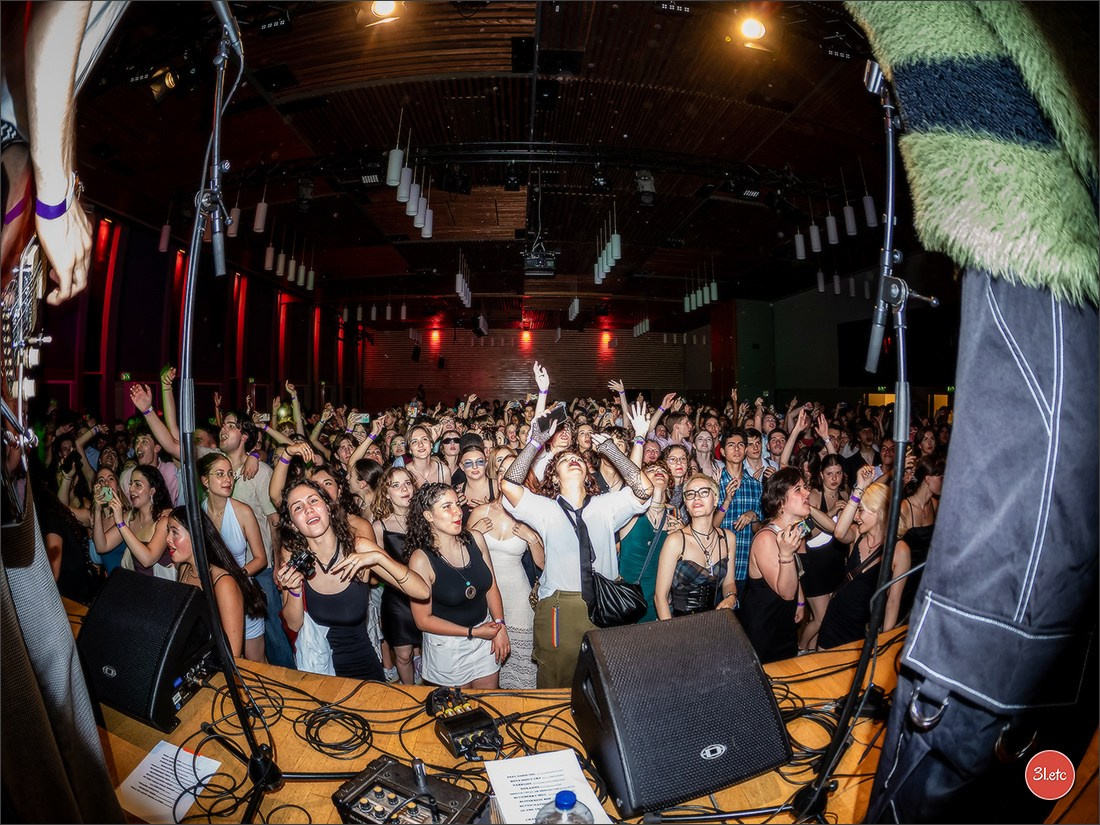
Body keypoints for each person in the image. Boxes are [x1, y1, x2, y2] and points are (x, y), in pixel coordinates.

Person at [502, 407, 653, 688]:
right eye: (565, 460)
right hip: (561, 606)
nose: (573, 460)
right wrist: (535, 441)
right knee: (557, 683)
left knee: (604, 683)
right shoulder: (544, 509)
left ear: (587, 474)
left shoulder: (606, 504)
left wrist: (612, 450)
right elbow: (509, 484)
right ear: (555, 477)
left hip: (606, 602)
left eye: (578, 459)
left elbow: (644, 490)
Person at [276, 479, 428, 680]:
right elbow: (294, 624)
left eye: (313, 501)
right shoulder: (296, 559)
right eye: (298, 507)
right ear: (293, 525)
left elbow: (422, 591)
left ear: (328, 508)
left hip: (365, 665)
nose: (308, 510)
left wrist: (379, 558)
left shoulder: (358, 548)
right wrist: (295, 588)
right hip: (321, 670)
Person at [407, 483, 511, 689]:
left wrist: (500, 626)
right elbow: (423, 620)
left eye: (457, 504)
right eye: (447, 506)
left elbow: (491, 587)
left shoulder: (476, 539)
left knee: (487, 705)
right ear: (429, 516)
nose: (457, 512)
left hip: (484, 637)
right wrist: (472, 632)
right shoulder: (421, 559)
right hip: (447, 647)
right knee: (457, 714)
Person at [468, 451, 542, 688]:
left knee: (522, 667)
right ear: (498, 477)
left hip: (517, 597)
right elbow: (461, 560)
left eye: (514, 471)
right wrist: (472, 535)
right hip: (483, 597)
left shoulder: (532, 516)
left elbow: (542, 565)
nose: (507, 475)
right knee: (486, 664)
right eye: (503, 470)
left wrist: (532, 539)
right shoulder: (481, 512)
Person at [816, 468, 910, 651]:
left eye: (861, 511)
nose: (856, 517)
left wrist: (884, 642)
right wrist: (859, 489)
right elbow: (839, 532)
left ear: (879, 512)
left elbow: (893, 602)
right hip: (836, 616)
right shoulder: (858, 533)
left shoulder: (900, 550)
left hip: (863, 627)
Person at [165, 507, 266, 660]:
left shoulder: (224, 584)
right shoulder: (184, 569)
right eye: (168, 532)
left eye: (174, 532)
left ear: (196, 535)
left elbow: (232, 654)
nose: (167, 539)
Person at [197, 453, 267, 663]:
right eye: (219, 474)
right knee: (225, 659)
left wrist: (235, 576)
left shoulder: (242, 512)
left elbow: (260, 558)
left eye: (229, 474)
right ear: (205, 480)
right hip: (212, 597)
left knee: (255, 663)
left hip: (244, 593)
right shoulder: (198, 513)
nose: (227, 479)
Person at [736, 468, 807, 664]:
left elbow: (795, 573)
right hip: (764, 628)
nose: (807, 493)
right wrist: (785, 554)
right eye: (798, 489)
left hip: (782, 621)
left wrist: (800, 601)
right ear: (781, 501)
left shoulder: (791, 532)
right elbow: (785, 592)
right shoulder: (767, 538)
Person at [654, 474, 737, 619]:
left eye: (704, 492)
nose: (696, 498)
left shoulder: (727, 538)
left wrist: (731, 598)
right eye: (690, 494)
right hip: (680, 624)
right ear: (686, 503)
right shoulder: (676, 541)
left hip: (712, 621)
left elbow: (729, 583)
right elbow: (660, 597)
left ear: (716, 499)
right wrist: (671, 635)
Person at [371, 466, 420, 684]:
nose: (404, 489)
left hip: (428, 595)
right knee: (403, 654)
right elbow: (377, 570)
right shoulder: (379, 526)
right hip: (397, 599)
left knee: (430, 649)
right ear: (386, 493)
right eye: (396, 485)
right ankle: (409, 695)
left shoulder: (427, 519)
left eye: (407, 483)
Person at [616, 459, 675, 624]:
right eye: (651, 470)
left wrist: (683, 535)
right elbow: (631, 477)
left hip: (660, 602)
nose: (658, 471)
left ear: (670, 483)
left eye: (663, 470)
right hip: (629, 602)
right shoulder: (631, 514)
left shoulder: (676, 516)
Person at [101, 463, 175, 579]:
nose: (131, 489)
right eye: (131, 484)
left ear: (152, 491)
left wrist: (120, 523)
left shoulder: (164, 520)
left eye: (137, 485)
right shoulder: (130, 517)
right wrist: (96, 509)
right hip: (139, 586)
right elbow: (102, 546)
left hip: (162, 587)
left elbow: (147, 559)